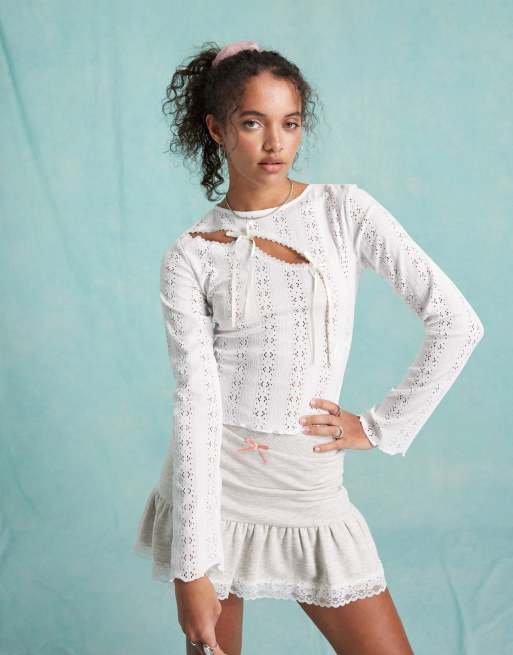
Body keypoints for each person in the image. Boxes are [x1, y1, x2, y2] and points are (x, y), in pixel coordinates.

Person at [132, 40, 485, 655]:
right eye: (253, 123)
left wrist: (378, 427)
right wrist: (191, 569)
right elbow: (196, 403)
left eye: (290, 123)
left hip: (307, 483)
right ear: (216, 129)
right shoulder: (190, 253)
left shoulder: (343, 211)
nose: (275, 143)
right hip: (214, 486)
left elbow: (457, 323)